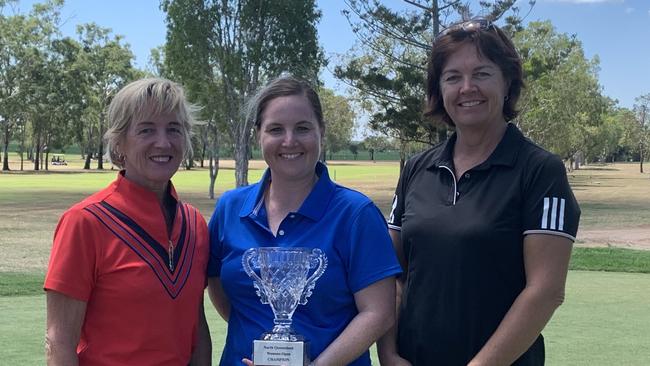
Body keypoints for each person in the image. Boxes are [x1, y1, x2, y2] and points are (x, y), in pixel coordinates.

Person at [377, 19, 581, 365]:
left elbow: (544, 292)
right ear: (439, 89)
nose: (467, 87)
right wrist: (389, 353)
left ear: (507, 83)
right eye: (453, 77)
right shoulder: (416, 169)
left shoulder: (540, 171)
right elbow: (391, 275)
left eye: (482, 73)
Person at [207, 75, 402, 365]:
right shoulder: (230, 208)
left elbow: (379, 312)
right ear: (258, 134)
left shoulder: (355, 213)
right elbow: (221, 291)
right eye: (275, 129)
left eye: (302, 128)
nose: (289, 141)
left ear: (321, 131)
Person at [44, 78, 211, 366]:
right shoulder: (84, 222)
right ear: (119, 142)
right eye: (146, 130)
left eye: (174, 129)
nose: (163, 142)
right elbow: (59, 343)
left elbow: (196, 328)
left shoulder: (194, 224)